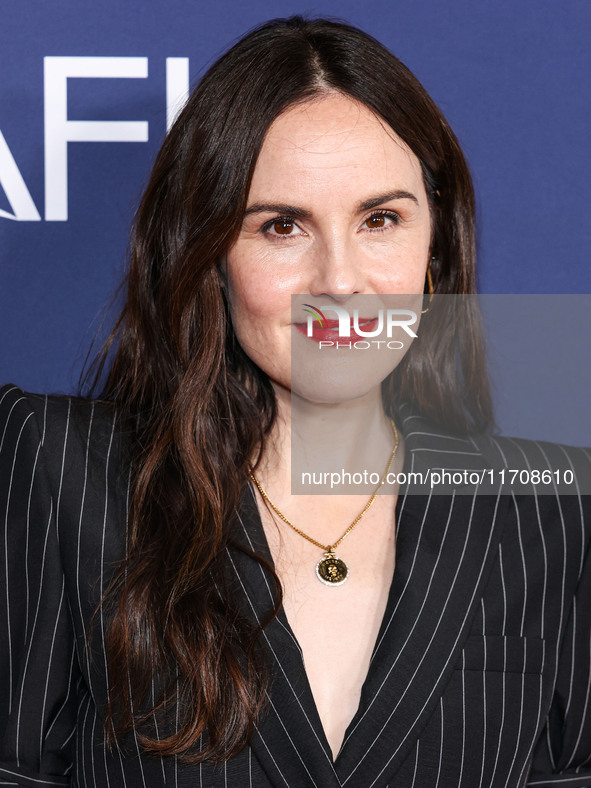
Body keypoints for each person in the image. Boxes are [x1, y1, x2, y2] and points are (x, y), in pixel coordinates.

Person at [1, 15, 590, 788]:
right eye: (282, 227)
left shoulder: (555, 514)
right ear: (207, 254)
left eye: (380, 219)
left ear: (433, 243)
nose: (340, 282)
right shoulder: (59, 471)